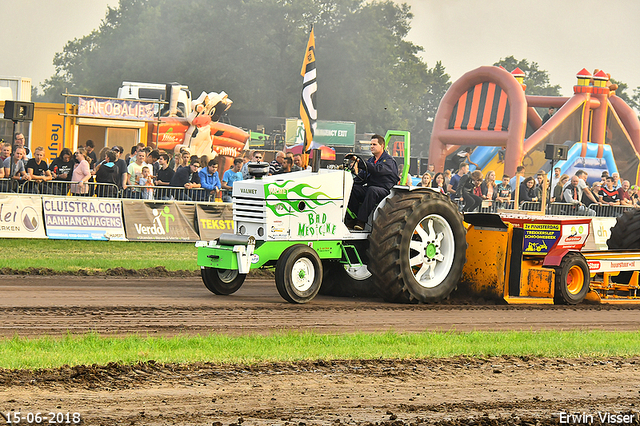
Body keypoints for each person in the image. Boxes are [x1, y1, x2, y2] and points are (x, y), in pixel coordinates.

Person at [347, 134, 399, 230]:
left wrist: (359, 162)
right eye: (371, 144)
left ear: (382, 146)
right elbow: (362, 176)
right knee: (353, 189)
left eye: (374, 144)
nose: (371, 146)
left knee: (372, 190)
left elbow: (377, 170)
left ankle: (361, 221)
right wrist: (349, 182)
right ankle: (352, 218)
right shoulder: (371, 160)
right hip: (371, 189)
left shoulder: (389, 161)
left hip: (385, 191)